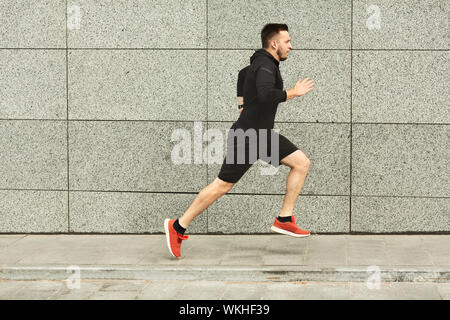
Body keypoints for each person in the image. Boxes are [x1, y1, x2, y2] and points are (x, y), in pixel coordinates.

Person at [164, 23, 315, 258]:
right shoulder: (266, 64)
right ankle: (177, 226)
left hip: (261, 135)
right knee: (222, 185)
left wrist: (242, 104)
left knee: (301, 163)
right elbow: (265, 95)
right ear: (274, 44)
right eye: (287, 42)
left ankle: (285, 218)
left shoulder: (259, 63)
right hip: (248, 137)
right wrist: (294, 92)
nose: (290, 46)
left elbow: (243, 74)